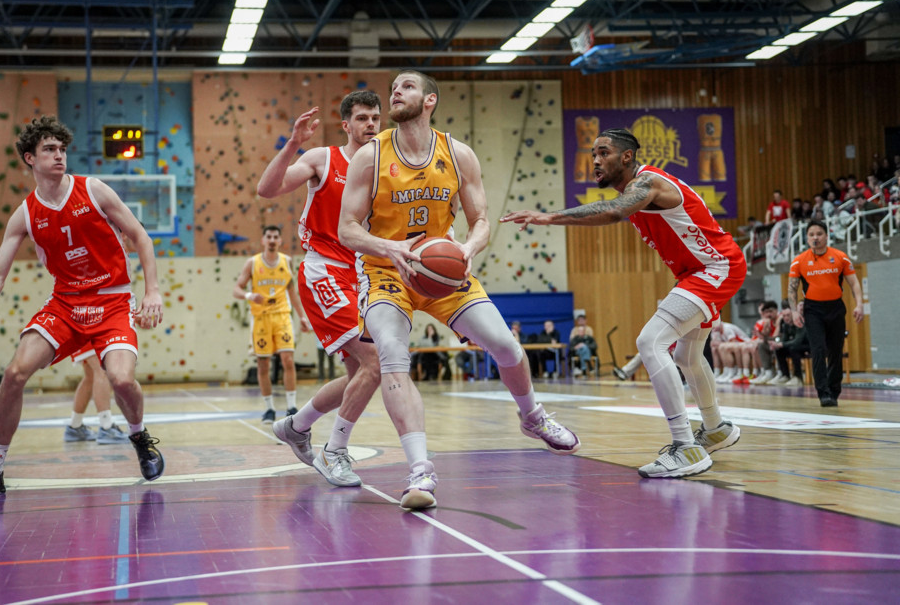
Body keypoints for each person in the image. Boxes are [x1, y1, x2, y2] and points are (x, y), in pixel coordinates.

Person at [339, 69, 580, 509]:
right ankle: (420, 471)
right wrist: (390, 248)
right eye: (394, 87)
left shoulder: (458, 153)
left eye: (407, 86)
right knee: (392, 355)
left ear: (429, 100)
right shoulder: (370, 157)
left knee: (507, 347)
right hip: (386, 271)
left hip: (443, 272)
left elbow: (482, 219)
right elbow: (347, 229)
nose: (396, 91)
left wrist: (468, 247)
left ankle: (533, 418)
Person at [502, 127, 746, 479]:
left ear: (627, 157)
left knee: (650, 342)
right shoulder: (637, 190)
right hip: (700, 271)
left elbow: (613, 211)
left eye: (603, 153)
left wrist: (548, 217)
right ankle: (716, 429)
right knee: (686, 356)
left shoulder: (648, 184)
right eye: (593, 155)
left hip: (714, 268)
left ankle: (685, 446)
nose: (596, 161)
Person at [0, 115, 165, 500]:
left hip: (112, 300)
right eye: (49, 149)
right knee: (15, 372)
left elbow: (141, 237)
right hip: (65, 304)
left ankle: (139, 436)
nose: (59, 155)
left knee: (119, 379)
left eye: (62, 149)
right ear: (30, 158)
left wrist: (152, 292)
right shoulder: (26, 214)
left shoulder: (94, 190)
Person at [255, 93, 390, 488]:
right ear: (346, 125)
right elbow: (267, 190)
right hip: (324, 272)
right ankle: (336, 452)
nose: (370, 125)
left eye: (375, 118)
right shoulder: (323, 159)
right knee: (376, 364)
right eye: (362, 118)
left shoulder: (386, 170)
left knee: (358, 376)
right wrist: (294, 142)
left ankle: (297, 426)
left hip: (362, 276)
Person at [233, 225, 311, 424]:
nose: (272, 240)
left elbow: (292, 292)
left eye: (276, 236)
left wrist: (302, 316)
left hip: (282, 315)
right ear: (263, 240)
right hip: (261, 318)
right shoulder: (252, 263)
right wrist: (250, 295)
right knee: (263, 363)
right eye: (269, 236)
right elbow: (236, 290)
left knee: (288, 360)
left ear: (280, 240)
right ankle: (269, 409)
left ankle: (292, 406)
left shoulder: (287, 261)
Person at [787, 220, 864, 407]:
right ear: (807, 238)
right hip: (813, 310)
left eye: (819, 234)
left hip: (836, 308)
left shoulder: (840, 257)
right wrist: (794, 311)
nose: (815, 237)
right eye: (811, 234)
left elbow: (854, 283)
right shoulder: (799, 261)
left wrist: (859, 304)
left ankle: (834, 390)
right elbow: (792, 289)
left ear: (826, 236)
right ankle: (823, 392)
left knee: (836, 350)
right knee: (818, 349)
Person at [62, 345, 130, 443]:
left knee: (91, 376)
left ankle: (75, 426)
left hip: (82, 332)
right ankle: (106, 428)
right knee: (101, 370)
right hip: (89, 331)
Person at [771, 301, 805, 385]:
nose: (785, 318)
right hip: (795, 345)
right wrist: (777, 344)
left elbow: (798, 341)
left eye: (788, 315)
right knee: (779, 349)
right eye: (784, 316)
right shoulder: (786, 325)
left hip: (806, 345)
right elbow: (784, 339)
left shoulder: (799, 322)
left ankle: (798, 377)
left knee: (793, 348)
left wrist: (782, 344)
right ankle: (785, 375)